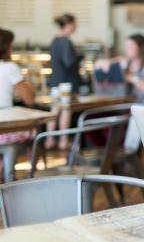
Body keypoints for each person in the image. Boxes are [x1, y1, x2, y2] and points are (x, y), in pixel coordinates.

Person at [0, 28, 36, 180]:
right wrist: (28, 80)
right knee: (37, 135)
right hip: (5, 128)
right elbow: (29, 99)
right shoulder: (10, 68)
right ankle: (29, 178)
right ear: (7, 46)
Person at [45, 13, 82, 150]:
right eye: (74, 24)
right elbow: (69, 62)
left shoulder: (55, 40)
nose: (76, 27)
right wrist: (80, 57)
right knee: (66, 110)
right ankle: (63, 140)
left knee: (54, 110)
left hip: (56, 81)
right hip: (66, 82)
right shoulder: (66, 41)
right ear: (69, 24)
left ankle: (49, 139)